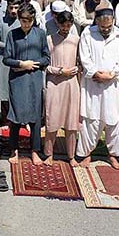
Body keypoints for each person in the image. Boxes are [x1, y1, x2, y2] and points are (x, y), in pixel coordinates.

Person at [77, 8, 119, 169]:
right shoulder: (87, 33)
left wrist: (112, 74)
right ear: (96, 22)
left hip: (113, 84)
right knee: (91, 119)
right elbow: (84, 57)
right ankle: (86, 153)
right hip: (93, 83)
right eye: (102, 27)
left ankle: (113, 155)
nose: (106, 30)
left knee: (114, 120)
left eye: (109, 26)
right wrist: (95, 73)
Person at [3, 3, 50, 165]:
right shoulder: (12, 34)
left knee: (35, 115)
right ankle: (13, 149)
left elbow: (46, 57)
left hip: (34, 78)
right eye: (23, 20)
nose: (26, 24)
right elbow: (6, 58)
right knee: (16, 114)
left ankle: (35, 150)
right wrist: (21, 64)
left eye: (29, 20)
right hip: (17, 79)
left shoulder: (41, 34)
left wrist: (33, 64)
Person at [43, 10, 80, 165]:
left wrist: (76, 70)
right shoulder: (49, 40)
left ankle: (71, 155)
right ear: (57, 23)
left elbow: (81, 61)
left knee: (72, 120)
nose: (65, 28)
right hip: (54, 82)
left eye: (68, 25)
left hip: (72, 83)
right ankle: (49, 154)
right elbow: (44, 64)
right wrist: (58, 71)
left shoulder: (76, 40)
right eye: (63, 25)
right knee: (52, 118)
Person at [0, 0, 21, 124]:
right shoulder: (1, 21)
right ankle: (5, 121)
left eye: (16, 8)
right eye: (11, 8)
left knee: (17, 91)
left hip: (18, 60)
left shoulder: (22, 22)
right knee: (4, 92)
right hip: (4, 60)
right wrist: (8, 46)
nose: (13, 10)